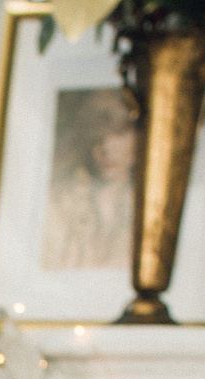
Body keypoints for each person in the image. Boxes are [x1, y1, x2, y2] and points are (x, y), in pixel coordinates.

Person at [42, 89, 138, 273]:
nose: (107, 148)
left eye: (119, 133)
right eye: (98, 137)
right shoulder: (58, 206)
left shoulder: (147, 212)